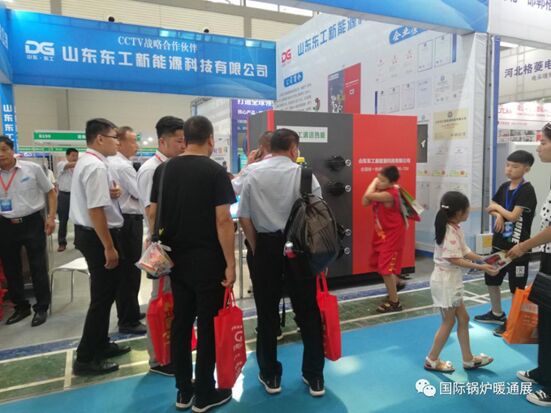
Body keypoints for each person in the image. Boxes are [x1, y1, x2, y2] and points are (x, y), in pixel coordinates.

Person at [150, 115, 236, 412]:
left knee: (181, 322)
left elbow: (153, 212)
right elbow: (223, 220)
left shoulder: (163, 170)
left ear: (185, 139)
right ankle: (205, 392)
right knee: (208, 325)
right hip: (208, 261)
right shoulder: (215, 172)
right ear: (210, 139)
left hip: (174, 259)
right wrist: (230, 264)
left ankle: (183, 391)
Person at [238, 128, 326, 398]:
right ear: (293, 149)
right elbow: (318, 219)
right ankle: (314, 376)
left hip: (266, 246)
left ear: (268, 148)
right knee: (308, 312)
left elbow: (244, 217)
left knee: (266, 314)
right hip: (300, 250)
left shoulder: (252, 173)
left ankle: (270, 375)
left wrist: (257, 248)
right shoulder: (306, 176)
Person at [71, 118, 131, 375]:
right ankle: (85, 357)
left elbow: (96, 199)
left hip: (91, 234)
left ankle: (101, 343)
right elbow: (95, 210)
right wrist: (108, 246)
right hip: (98, 237)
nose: (118, 142)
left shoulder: (91, 162)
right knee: (102, 298)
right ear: (99, 139)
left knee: (106, 294)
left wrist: (110, 193)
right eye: (114, 137)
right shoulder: (95, 166)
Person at [424, 191, 498, 373]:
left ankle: (468, 359)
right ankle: (432, 360)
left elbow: (464, 251)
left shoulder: (455, 228)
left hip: (451, 280)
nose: (469, 211)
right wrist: (482, 267)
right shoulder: (449, 231)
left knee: (463, 319)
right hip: (446, 282)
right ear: (459, 212)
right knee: (448, 322)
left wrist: (484, 259)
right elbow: (454, 259)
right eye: (467, 209)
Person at [137, 115, 185, 376]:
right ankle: (158, 359)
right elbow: (151, 213)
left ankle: (170, 351)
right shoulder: (151, 170)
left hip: (171, 244)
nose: (183, 146)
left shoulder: (171, 167)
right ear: (163, 141)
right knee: (160, 300)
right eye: (179, 141)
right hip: (159, 247)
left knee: (170, 299)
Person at [508, 123, 551, 407]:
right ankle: (544, 371)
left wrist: (524, 246)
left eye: (544, 142)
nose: (539, 147)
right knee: (545, 318)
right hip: (547, 256)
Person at [474, 150, 537, 336]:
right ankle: (496, 313)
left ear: (526, 169)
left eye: (515, 166)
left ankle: (514, 320)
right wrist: (498, 215)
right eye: (507, 165)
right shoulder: (504, 187)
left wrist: (499, 209)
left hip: (517, 248)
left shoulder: (527, 190)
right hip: (498, 244)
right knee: (491, 277)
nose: (509, 169)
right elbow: (490, 207)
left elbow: (514, 216)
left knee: (516, 287)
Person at [0, 136, 56, 327]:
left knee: (37, 266)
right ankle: (21, 307)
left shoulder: (32, 168)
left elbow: (50, 192)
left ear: (12, 150)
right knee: (11, 268)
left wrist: (51, 217)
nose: (1, 154)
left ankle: (41, 307)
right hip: (5, 224)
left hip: (32, 222)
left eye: (4, 149)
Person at [108, 126, 146, 335]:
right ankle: (128, 320)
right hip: (128, 221)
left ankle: (130, 311)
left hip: (124, 219)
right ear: (120, 142)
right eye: (132, 141)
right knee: (129, 272)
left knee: (128, 271)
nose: (136, 146)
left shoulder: (114, 163)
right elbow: (140, 193)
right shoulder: (122, 166)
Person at [361, 166, 407, 313]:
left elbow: (368, 196)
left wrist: (374, 182)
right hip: (382, 233)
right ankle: (397, 283)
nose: (378, 182)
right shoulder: (381, 191)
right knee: (378, 263)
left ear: (391, 183)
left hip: (393, 234)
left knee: (385, 269)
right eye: (378, 178)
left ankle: (394, 302)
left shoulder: (389, 194)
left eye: (382, 180)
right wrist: (377, 183)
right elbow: (364, 201)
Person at [56, 148, 79, 252]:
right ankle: (62, 243)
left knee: (77, 220)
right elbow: (69, 165)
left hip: (76, 196)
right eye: (73, 155)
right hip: (64, 195)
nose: (75, 158)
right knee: (63, 220)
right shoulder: (61, 164)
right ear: (67, 156)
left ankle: (77, 242)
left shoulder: (77, 167)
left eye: (76, 156)